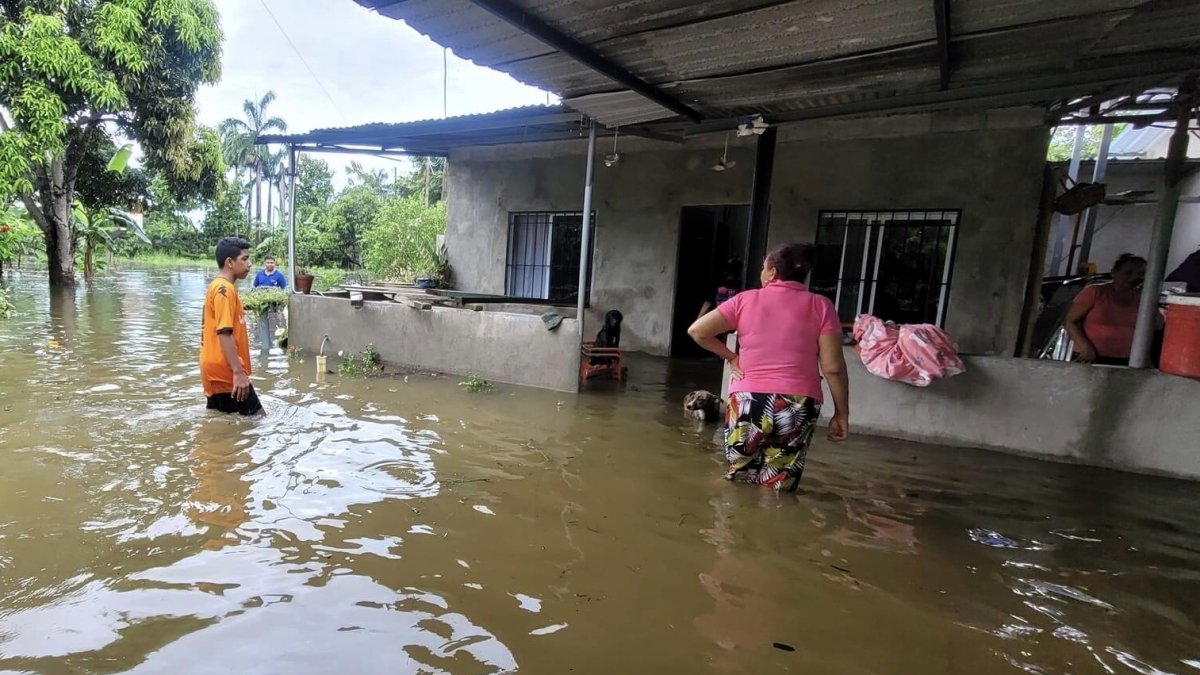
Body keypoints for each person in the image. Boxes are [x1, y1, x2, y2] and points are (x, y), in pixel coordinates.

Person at [688, 243, 850, 491]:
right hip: (798, 404)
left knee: (737, 478)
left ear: (772, 272)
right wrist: (842, 413)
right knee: (778, 484)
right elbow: (833, 368)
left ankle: (730, 526)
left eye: (763, 267)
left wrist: (731, 357)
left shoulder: (744, 300)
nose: (761, 274)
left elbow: (697, 331)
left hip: (748, 400)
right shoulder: (821, 305)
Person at [200, 237, 263, 415]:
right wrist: (238, 372)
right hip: (226, 371)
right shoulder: (224, 290)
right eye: (244, 259)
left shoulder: (217, 287)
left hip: (214, 369)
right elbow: (224, 333)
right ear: (229, 262)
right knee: (257, 423)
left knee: (225, 426)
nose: (249, 264)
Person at [1064, 253, 1157, 366]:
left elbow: (1157, 325)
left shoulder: (1143, 298)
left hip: (1129, 360)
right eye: (1128, 273)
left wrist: (1150, 295)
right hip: (1091, 357)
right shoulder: (1095, 292)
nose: (1134, 278)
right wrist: (1085, 348)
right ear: (1114, 272)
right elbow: (1070, 322)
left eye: (1141, 274)